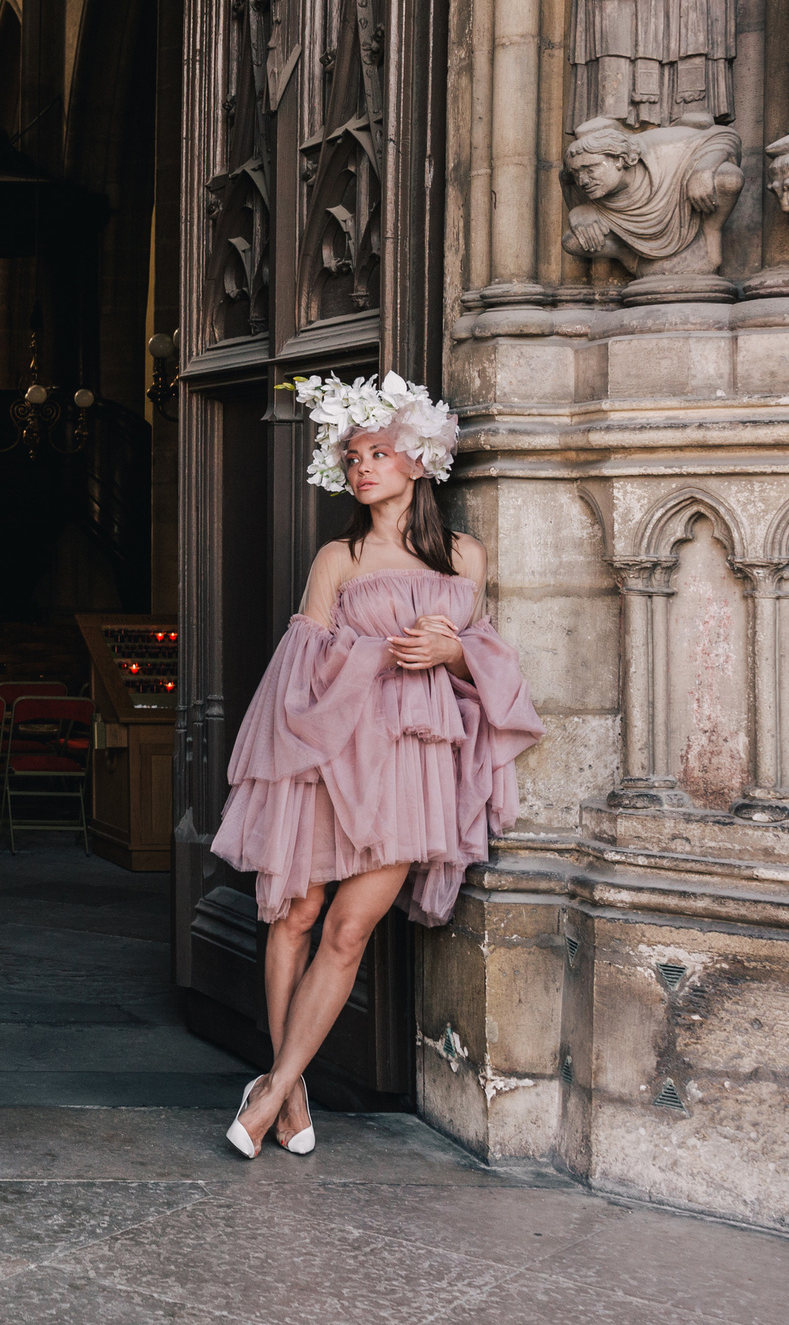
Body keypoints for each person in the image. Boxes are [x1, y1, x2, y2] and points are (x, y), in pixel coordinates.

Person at [211, 372, 544, 1159]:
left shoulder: (464, 556)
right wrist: (373, 655)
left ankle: (264, 1094)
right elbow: (298, 674)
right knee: (296, 913)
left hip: (412, 770)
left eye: (380, 452)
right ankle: (287, 1092)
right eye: (354, 455)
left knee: (350, 931)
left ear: (418, 463)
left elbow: (490, 663)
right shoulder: (339, 557)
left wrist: (452, 649)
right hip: (335, 758)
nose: (364, 467)